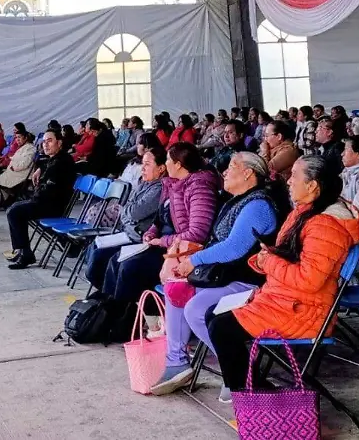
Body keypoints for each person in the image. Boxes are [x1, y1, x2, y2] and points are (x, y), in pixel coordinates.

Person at [206, 156, 359, 398]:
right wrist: (266, 257)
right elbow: (288, 258)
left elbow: (309, 281)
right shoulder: (304, 213)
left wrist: (269, 260)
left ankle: (250, 397)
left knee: (222, 328)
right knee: (213, 313)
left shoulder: (326, 225)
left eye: (295, 176)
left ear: (312, 186)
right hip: (284, 297)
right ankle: (254, 389)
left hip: (305, 310)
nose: (288, 181)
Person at [150, 152, 280, 396]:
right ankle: (176, 362)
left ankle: (238, 370)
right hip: (225, 276)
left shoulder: (258, 205)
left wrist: (193, 260)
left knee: (196, 309)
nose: (225, 172)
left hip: (248, 281)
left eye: (232, 167)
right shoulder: (237, 200)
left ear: (248, 173)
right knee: (176, 289)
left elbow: (234, 247)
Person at [95, 143, 220, 302]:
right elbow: (161, 219)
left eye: (168, 160)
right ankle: (106, 310)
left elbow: (197, 234)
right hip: (164, 243)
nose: (165, 164)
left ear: (178, 164)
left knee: (129, 267)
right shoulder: (171, 184)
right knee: (115, 260)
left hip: (181, 251)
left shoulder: (200, 188)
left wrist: (161, 241)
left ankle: (122, 316)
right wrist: (152, 231)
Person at [82, 147, 169, 293]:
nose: (143, 168)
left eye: (147, 164)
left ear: (161, 168)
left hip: (138, 239)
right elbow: (127, 208)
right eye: (142, 163)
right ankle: (105, 292)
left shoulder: (158, 189)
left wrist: (127, 211)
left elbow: (133, 213)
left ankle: (109, 295)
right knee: (94, 248)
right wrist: (127, 211)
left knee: (102, 257)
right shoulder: (144, 183)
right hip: (127, 232)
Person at [5, 130, 78, 269]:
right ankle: (22, 250)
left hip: (53, 205)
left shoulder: (62, 162)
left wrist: (34, 198)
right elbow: (43, 163)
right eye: (44, 142)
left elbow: (50, 190)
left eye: (49, 141)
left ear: (59, 142)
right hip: (45, 201)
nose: (45, 144)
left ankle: (25, 253)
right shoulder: (55, 158)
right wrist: (40, 168)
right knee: (13, 208)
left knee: (14, 212)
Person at [0, 132, 37, 204]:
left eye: (19, 137)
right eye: (16, 138)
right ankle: (7, 198)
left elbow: (25, 163)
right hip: (16, 171)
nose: (17, 140)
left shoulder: (30, 148)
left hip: (22, 174)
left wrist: (14, 168)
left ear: (26, 138)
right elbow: (17, 158)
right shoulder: (24, 147)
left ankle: (9, 199)